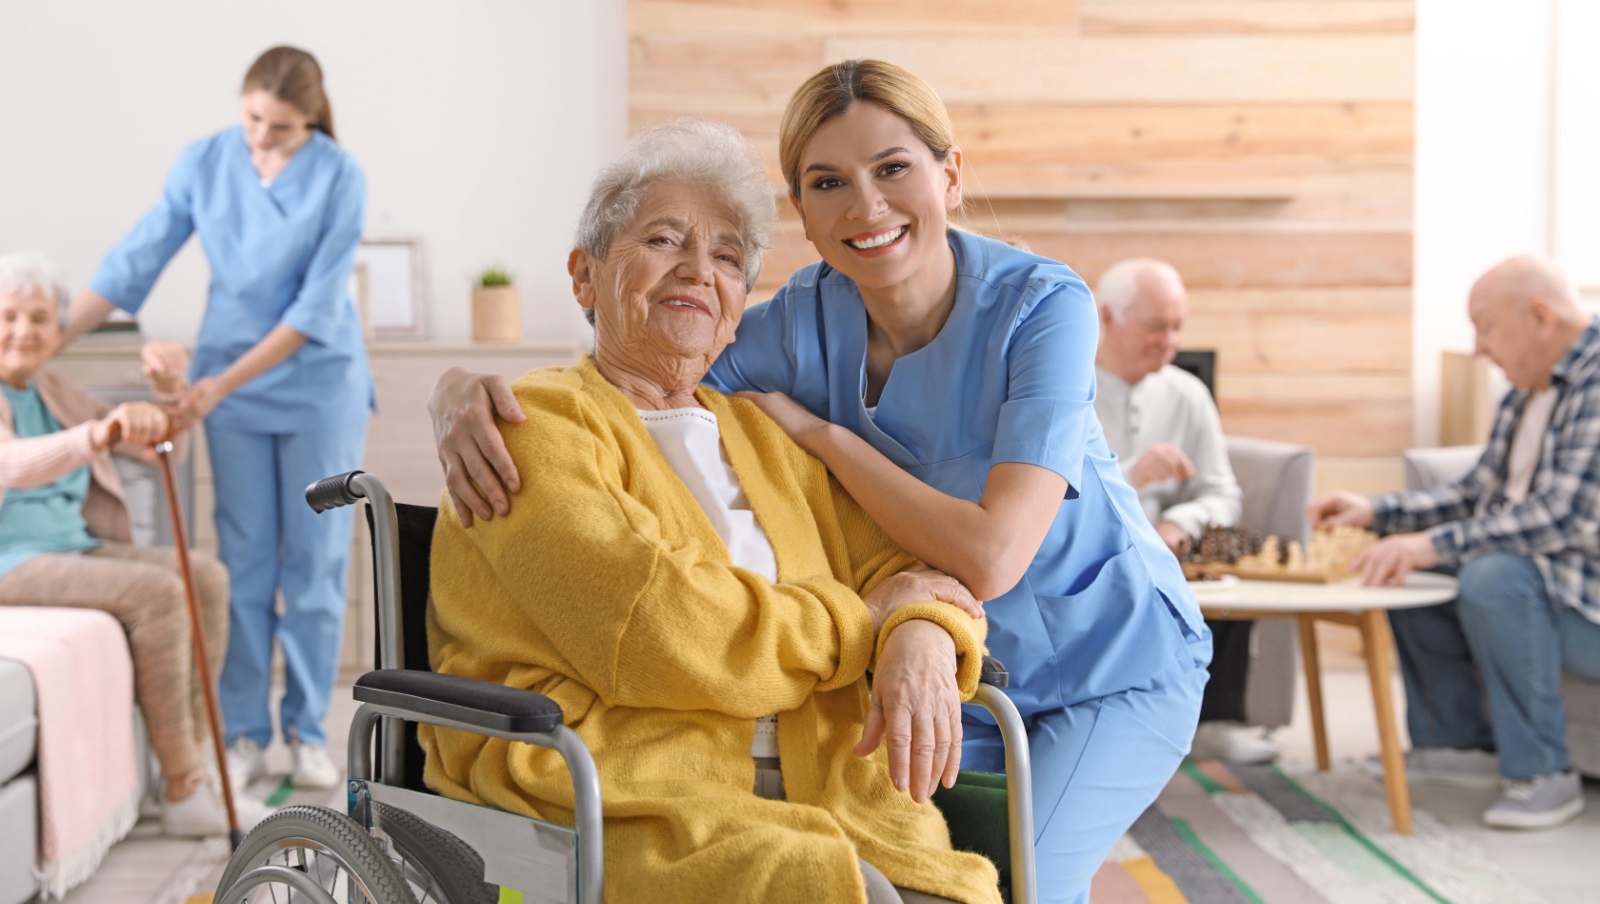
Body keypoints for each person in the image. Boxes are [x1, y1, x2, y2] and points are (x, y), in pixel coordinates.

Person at [429, 61, 1211, 903]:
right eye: (829, 181)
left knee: (1023, 880)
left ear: (951, 175)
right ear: (803, 209)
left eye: (894, 169)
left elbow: (963, 561)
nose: (865, 206)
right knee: (938, 865)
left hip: (1109, 661)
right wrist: (454, 389)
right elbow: (641, 372)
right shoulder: (786, 334)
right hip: (936, 692)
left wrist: (843, 468)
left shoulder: (1037, 309)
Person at [424, 119, 1000, 904]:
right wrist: (865, 622)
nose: (699, 271)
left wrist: (927, 636)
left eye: (727, 256)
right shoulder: (531, 427)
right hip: (625, 783)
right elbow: (660, 626)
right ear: (585, 276)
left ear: (737, 306)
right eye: (664, 241)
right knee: (829, 887)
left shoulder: (766, 434)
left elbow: (911, 573)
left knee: (942, 887)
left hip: (823, 786)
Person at [65, 46, 374, 793]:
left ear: (312, 121)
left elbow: (313, 312)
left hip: (315, 382)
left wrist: (211, 386)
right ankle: (241, 729)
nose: (261, 137)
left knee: (313, 565)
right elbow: (133, 262)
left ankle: (304, 731)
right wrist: (46, 339)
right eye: (252, 119)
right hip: (230, 391)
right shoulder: (205, 162)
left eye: (282, 128)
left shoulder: (340, 177)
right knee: (242, 564)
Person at [1311, 255, 1600, 830]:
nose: (1476, 348)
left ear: (1540, 317)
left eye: (1486, 327)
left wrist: (1431, 544)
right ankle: (1458, 745)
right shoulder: (1529, 388)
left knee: (1492, 573)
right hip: (1547, 593)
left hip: (1586, 607)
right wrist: (1380, 514)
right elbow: (1475, 494)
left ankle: (1543, 772)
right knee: (1407, 565)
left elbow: (1566, 516)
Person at [0, 250, 270, 836]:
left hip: (69, 548)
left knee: (205, 576)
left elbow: (155, 447)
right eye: (9, 316)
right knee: (155, 593)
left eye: (40, 318)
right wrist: (94, 434)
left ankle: (196, 762)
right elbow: (13, 464)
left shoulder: (51, 389)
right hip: (9, 561)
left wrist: (168, 392)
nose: (24, 330)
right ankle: (181, 788)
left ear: (59, 327)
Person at [1090, 258, 1274, 765]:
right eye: (1154, 326)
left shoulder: (1188, 394)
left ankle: (1215, 722)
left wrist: (1179, 522)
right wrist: (1132, 473)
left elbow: (1223, 495)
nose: (1168, 341)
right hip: (1092, 550)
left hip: (1171, 555)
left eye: (1177, 327)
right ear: (1107, 318)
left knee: (1231, 581)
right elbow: (1052, 489)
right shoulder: (1069, 385)